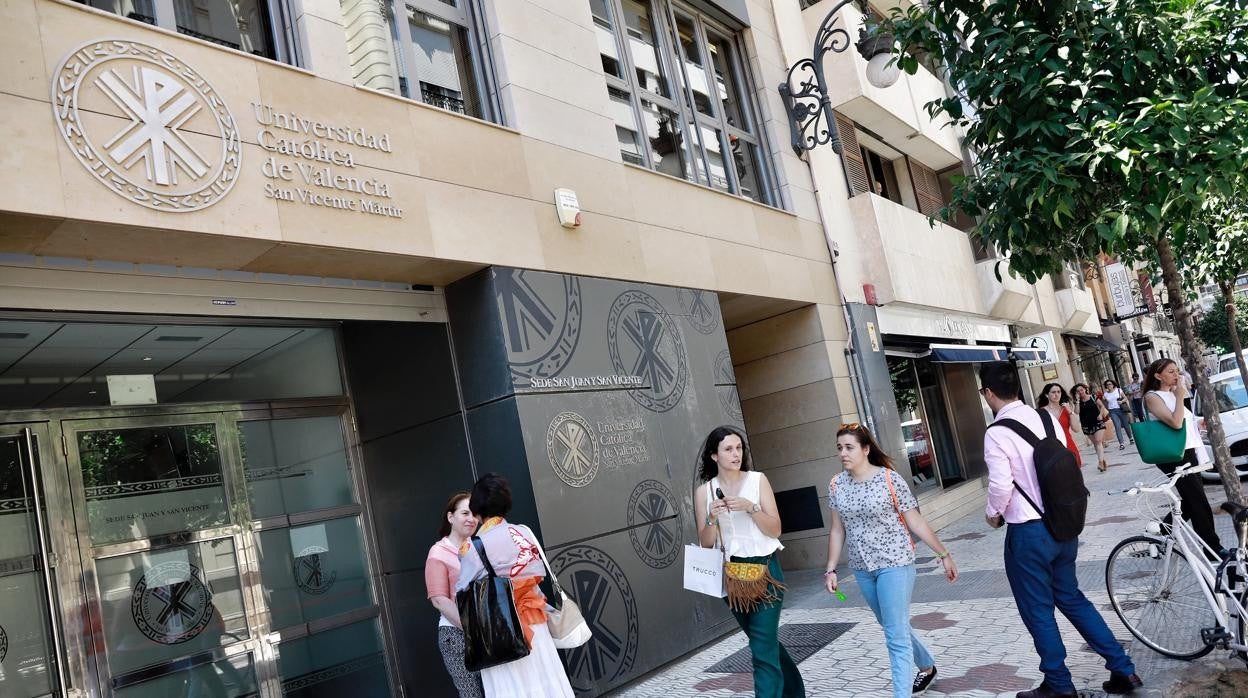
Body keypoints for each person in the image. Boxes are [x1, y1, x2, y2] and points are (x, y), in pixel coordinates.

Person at [980, 362, 1143, 697]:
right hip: (1063, 525)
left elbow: (1000, 486)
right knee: (1072, 598)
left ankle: (1058, 685)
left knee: (1038, 610)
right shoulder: (1045, 417)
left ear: (988, 393)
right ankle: (1123, 669)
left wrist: (993, 514)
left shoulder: (996, 433)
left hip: (1028, 533)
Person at [825, 423, 958, 697]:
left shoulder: (889, 479)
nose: (843, 453)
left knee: (895, 636)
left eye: (849, 447)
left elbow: (915, 522)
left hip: (895, 563)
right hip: (862, 568)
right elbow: (838, 529)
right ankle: (927, 665)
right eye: (839, 448)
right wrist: (831, 569)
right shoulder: (836, 485)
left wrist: (943, 554)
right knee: (891, 624)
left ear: (865, 449)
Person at [694, 426, 804, 698]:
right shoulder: (704, 492)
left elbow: (775, 529)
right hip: (731, 575)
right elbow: (706, 543)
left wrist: (750, 507)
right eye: (728, 449)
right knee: (762, 643)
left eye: (739, 448)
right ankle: (795, 692)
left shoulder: (757, 480)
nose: (736, 454)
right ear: (714, 456)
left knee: (762, 649)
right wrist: (711, 517)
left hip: (766, 569)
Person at [455, 474, 574, 698]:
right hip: (536, 624)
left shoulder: (472, 547)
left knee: (512, 689)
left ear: (477, 510)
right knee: (547, 683)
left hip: (501, 630)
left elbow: (463, 593)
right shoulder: (524, 532)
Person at [1141, 358, 1223, 556]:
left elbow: (1184, 421)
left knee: (1190, 500)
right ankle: (1212, 548)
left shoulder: (1170, 394)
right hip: (1172, 455)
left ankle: (1160, 532)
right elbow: (1176, 424)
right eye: (1170, 371)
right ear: (1157, 375)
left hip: (1187, 451)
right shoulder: (1152, 397)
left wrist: (1198, 422)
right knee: (1198, 501)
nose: (1176, 375)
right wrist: (1179, 397)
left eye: (1177, 371)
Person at [426, 492, 484, 697]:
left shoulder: (480, 545)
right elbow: (439, 600)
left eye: (475, 514)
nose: (472, 518)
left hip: (487, 632)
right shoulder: (438, 552)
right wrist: (473, 629)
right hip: (457, 635)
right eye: (465, 513)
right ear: (451, 517)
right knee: (472, 695)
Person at [1036, 383, 1081, 467]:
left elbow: (1076, 429)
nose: (1056, 394)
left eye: (1058, 392)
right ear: (1046, 395)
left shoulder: (1066, 410)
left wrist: (1070, 411)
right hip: (1051, 448)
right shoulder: (1041, 412)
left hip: (1068, 445)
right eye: (1053, 392)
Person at [1072, 383, 1110, 472]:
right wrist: (1077, 401)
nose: (1080, 392)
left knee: (1098, 441)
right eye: (1078, 391)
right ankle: (1103, 461)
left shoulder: (1093, 396)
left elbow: (1102, 406)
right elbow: (1076, 412)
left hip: (1097, 422)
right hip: (1086, 424)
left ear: (1085, 389)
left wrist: (1101, 415)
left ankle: (1100, 462)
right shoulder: (1077, 402)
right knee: (1096, 444)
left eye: (1081, 390)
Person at [1102, 380, 1134, 451]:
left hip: (1121, 409)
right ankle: (1121, 443)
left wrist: (1122, 401)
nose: (1108, 386)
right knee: (1117, 426)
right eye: (1107, 385)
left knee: (1126, 425)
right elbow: (1104, 403)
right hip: (1112, 411)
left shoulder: (1118, 390)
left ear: (1113, 385)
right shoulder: (1105, 394)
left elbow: (1125, 398)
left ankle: (1130, 438)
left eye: (1110, 384)